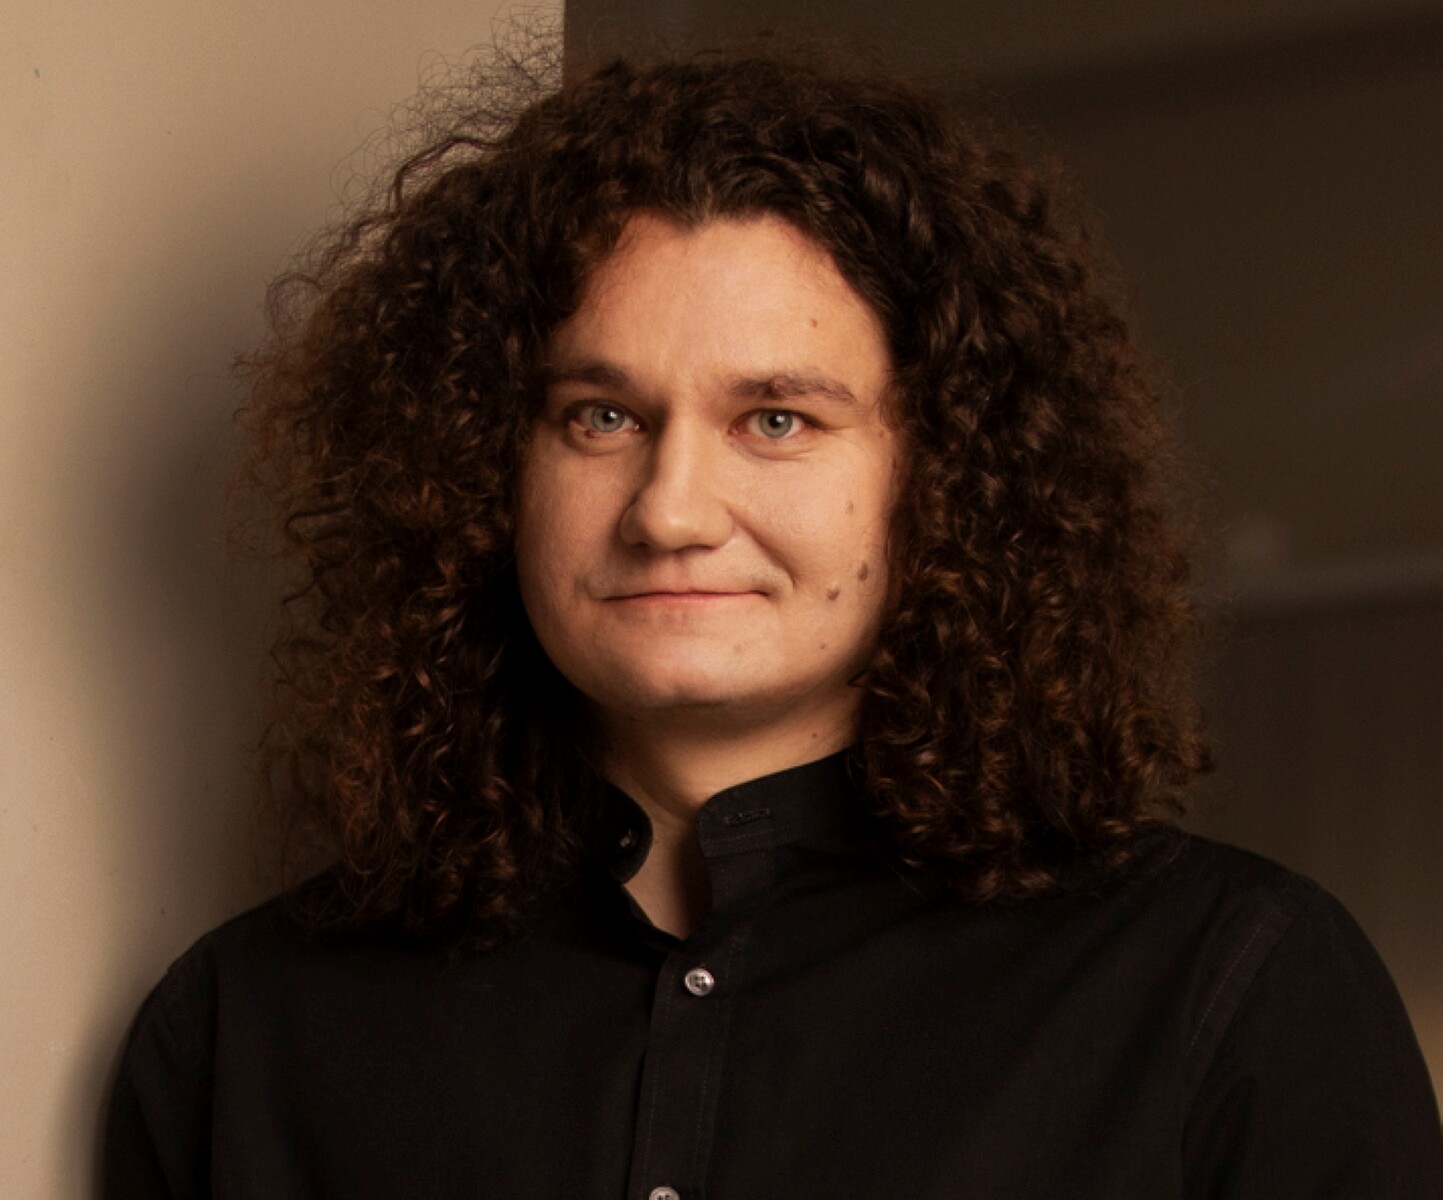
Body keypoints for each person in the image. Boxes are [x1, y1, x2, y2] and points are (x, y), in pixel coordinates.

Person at [105, 37, 1443, 1199]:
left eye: (778, 420)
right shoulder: (247, 1030)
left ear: (943, 476)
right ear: (481, 471)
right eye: (601, 417)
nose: (671, 510)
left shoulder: (1227, 987)